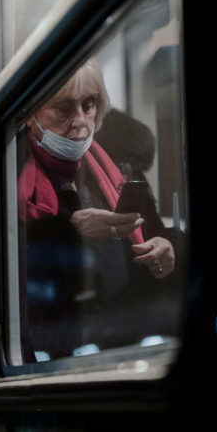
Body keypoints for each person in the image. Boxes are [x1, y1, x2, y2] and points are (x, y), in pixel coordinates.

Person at [16, 60, 181, 360]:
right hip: (52, 356)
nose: (80, 122)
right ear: (30, 114)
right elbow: (12, 289)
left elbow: (156, 236)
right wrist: (73, 237)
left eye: (88, 105)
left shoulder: (121, 168)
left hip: (126, 344)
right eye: (64, 108)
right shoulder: (8, 177)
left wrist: (167, 249)